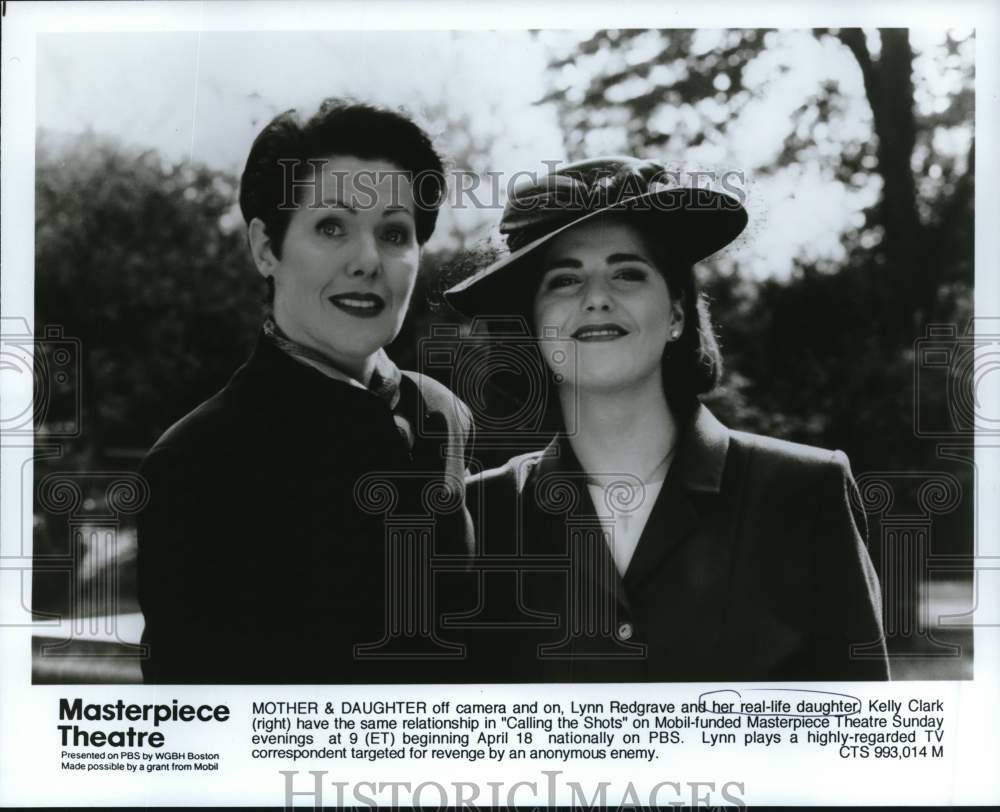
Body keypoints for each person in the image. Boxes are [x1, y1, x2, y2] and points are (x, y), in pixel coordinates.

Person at [444, 156, 889, 681]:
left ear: (677, 313)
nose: (596, 298)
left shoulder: (805, 493)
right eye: (564, 280)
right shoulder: (482, 514)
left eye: (627, 273)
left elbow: (860, 726)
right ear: (533, 322)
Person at [136, 99, 474, 683]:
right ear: (266, 248)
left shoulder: (444, 415)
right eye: (331, 227)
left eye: (394, 233)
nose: (367, 261)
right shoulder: (197, 463)